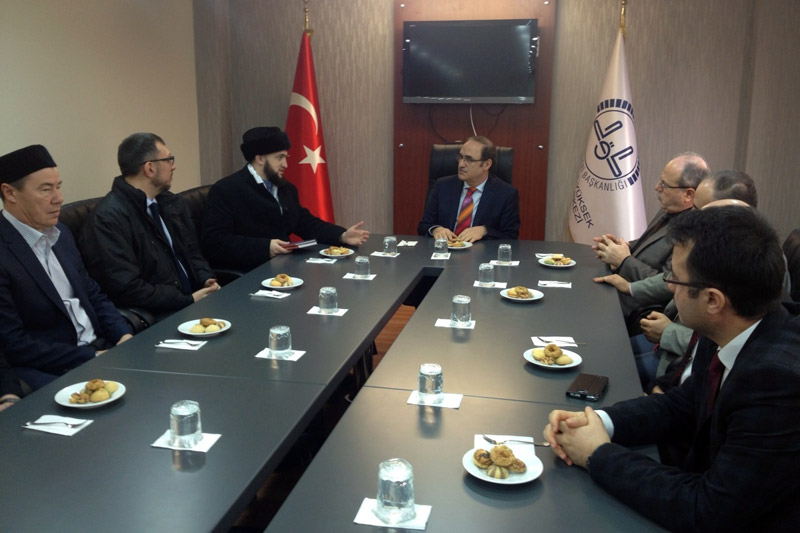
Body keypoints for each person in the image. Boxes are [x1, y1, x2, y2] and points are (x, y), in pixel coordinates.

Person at [544, 206, 800, 530]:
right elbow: (683, 403)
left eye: (674, 278)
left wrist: (597, 453)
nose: (668, 287)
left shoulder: (777, 381)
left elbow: (709, 510)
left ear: (713, 300)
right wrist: (597, 421)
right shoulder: (729, 325)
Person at [595, 171, 758, 389]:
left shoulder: (749, 264)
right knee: (602, 353)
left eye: (698, 211)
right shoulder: (711, 244)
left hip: (679, 358)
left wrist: (670, 333)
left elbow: (733, 347)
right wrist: (631, 287)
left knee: (607, 370)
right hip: (671, 345)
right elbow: (672, 279)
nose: (691, 215)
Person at [0, 145, 133, 390]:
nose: (58, 198)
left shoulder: (61, 233)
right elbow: (14, 344)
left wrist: (123, 336)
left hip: (103, 349)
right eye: (45, 190)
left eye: (58, 187)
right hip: (57, 368)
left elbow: (93, 294)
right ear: (10, 193)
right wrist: (91, 357)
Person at [80, 133, 219, 321]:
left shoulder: (170, 203)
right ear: (150, 168)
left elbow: (192, 252)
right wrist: (187, 300)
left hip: (195, 300)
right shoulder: (107, 219)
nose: (173, 166)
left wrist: (206, 279)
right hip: (162, 314)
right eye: (169, 159)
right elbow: (127, 288)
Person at [202, 127, 370, 272]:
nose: (286, 164)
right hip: (249, 272)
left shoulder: (285, 188)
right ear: (260, 158)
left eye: (286, 157)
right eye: (279, 157)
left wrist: (341, 235)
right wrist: (265, 247)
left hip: (285, 267)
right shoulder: (226, 190)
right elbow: (215, 242)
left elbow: (304, 223)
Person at [417, 136, 520, 242]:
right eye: (460, 157)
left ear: (486, 164)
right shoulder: (442, 186)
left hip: (482, 251)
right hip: (445, 249)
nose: (461, 164)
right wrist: (435, 230)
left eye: (469, 159)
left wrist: (485, 230)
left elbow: (510, 236)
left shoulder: (506, 194)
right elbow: (424, 225)